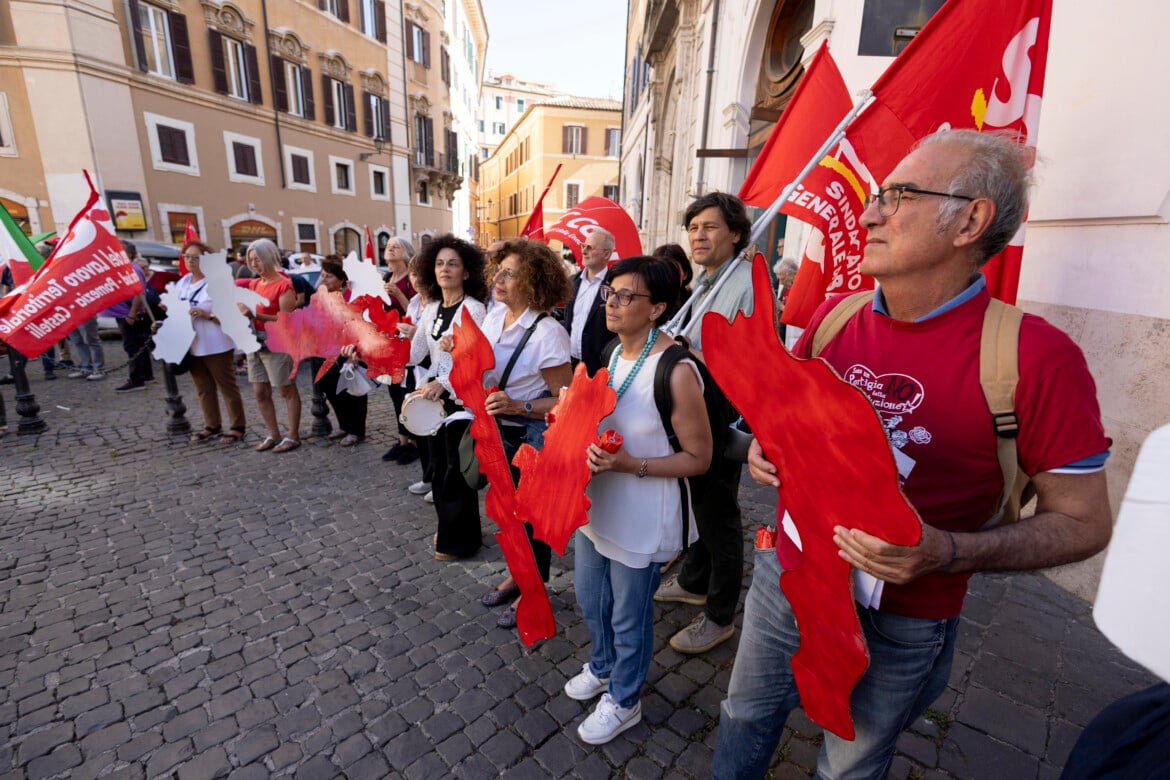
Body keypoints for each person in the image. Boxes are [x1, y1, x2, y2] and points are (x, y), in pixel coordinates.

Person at [712, 130, 1113, 778]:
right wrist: (767, 444)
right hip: (787, 579)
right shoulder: (835, 319)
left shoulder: (1036, 360)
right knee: (743, 717)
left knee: (850, 765)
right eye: (875, 196)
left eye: (896, 196)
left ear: (972, 220)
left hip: (906, 619)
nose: (869, 213)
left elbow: (1085, 522)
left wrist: (947, 552)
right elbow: (787, 425)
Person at [566, 255, 712, 745]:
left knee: (630, 614)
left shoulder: (676, 369)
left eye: (627, 295)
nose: (613, 301)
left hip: (643, 509)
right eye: (611, 290)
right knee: (590, 597)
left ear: (658, 309)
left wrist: (634, 465)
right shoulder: (613, 352)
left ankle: (625, 699)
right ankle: (604, 666)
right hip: (599, 500)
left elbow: (700, 457)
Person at [653, 191, 754, 655]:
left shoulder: (747, 281)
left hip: (719, 414)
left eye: (710, 227)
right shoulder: (711, 280)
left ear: (735, 233)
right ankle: (694, 578)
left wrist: (682, 354)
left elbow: (745, 358)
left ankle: (718, 615)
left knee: (719, 515)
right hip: (693, 411)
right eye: (693, 228)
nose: (698, 235)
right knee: (699, 507)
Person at [478, 238, 573, 628]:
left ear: (532, 281)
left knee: (532, 519)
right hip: (499, 433)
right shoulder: (492, 316)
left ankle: (534, 590)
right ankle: (518, 575)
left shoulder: (548, 333)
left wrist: (518, 406)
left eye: (510, 274)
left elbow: (566, 401)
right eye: (498, 270)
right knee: (510, 516)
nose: (498, 279)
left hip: (532, 437)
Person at [405, 234, 488, 560]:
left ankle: (460, 541)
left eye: (453, 263)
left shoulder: (475, 309)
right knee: (440, 469)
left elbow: (480, 361)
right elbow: (416, 354)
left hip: (462, 400)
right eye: (439, 263)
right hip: (434, 399)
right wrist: (402, 334)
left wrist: (444, 382)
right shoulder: (433, 308)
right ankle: (453, 528)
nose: (445, 269)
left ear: (466, 272)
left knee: (457, 472)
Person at [175, 241, 247, 443]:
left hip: (216, 342)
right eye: (187, 256)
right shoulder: (183, 282)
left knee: (226, 385)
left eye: (195, 257)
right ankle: (212, 424)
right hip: (192, 342)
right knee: (203, 387)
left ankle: (237, 425)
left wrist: (207, 314)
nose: (190, 261)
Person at [240, 238, 302, 453]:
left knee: (286, 389)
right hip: (255, 342)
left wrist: (256, 314)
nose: (254, 264)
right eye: (251, 260)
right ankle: (273, 434)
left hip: (277, 344)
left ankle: (292, 435)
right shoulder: (254, 283)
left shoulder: (284, 285)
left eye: (258, 259)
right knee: (260, 392)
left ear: (268, 257)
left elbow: (286, 320)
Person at [317, 260, 368, 447]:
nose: (324, 279)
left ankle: (357, 430)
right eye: (323, 275)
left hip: (349, 350)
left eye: (329, 276)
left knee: (353, 391)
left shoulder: (350, 296)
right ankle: (344, 425)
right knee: (331, 388)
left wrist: (353, 353)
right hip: (328, 350)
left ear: (342, 280)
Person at [380, 237, 421, 464]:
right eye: (388, 246)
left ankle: (414, 443)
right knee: (394, 392)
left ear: (406, 253)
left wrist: (398, 294)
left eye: (396, 246)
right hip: (389, 343)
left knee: (408, 393)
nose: (390, 248)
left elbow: (415, 312)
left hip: (408, 342)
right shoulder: (386, 277)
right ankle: (402, 440)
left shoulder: (410, 280)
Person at [103, 240, 154, 392]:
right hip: (126, 313)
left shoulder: (133, 269)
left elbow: (140, 294)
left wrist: (131, 314)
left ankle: (137, 380)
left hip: (129, 314)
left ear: (129, 254)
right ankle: (146, 375)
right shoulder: (126, 268)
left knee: (132, 347)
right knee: (138, 346)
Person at [563, 227, 616, 375]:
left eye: (590, 247)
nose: (584, 251)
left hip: (599, 367)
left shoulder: (614, 285)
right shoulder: (573, 282)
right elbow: (567, 318)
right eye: (583, 246)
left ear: (606, 253)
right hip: (569, 364)